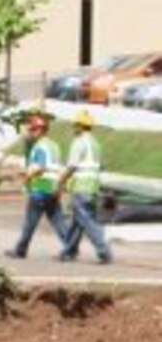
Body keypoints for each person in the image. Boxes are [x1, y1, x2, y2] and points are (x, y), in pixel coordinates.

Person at [6, 114, 67, 258]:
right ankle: (70, 248)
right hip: (53, 186)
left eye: (33, 130)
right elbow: (55, 167)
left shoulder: (39, 146)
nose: (31, 133)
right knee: (58, 220)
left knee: (30, 221)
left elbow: (39, 168)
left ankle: (20, 250)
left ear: (40, 130)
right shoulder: (54, 146)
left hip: (41, 185)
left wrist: (27, 178)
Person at [59, 110, 112, 263]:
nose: (73, 128)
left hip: (81, 188)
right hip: (92, 188)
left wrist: (60, 182)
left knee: (87, 222)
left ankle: (104, 251)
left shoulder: (79, 142)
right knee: (78, 221)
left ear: (81, 127)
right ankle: (68, 251)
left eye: (76, 125)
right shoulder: (95, 144)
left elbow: (72, 166)